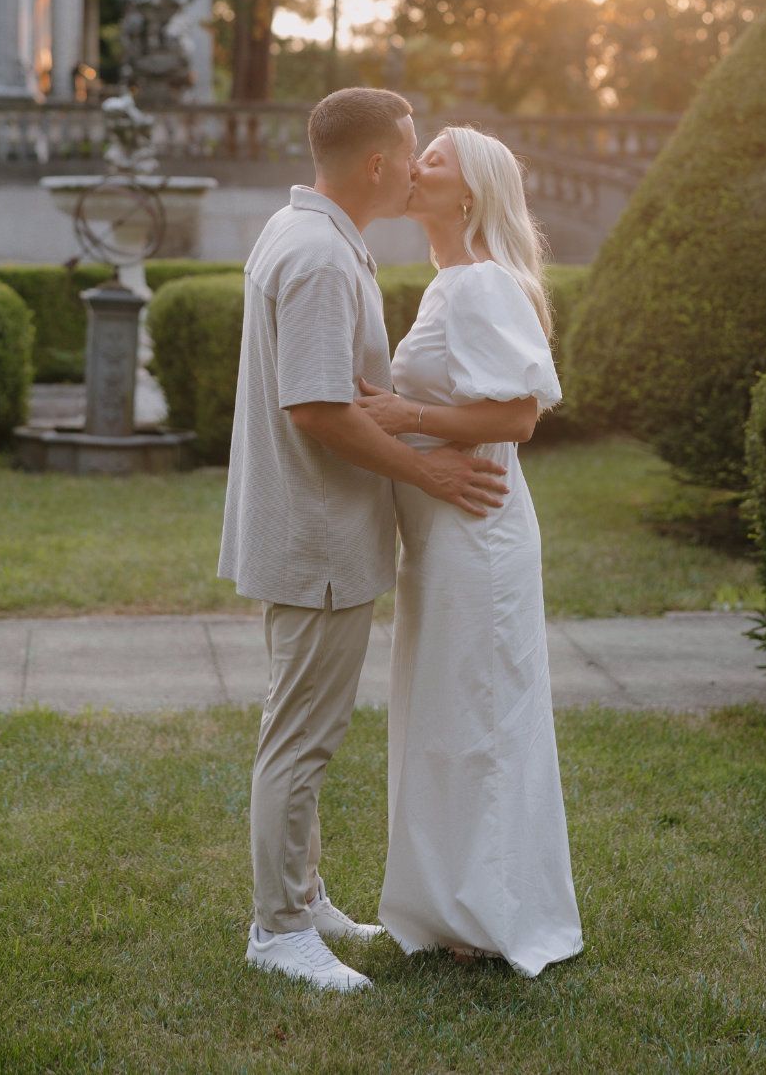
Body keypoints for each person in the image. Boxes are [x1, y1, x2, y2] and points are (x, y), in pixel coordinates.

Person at [218, 89, 510, 994]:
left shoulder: (306, 235)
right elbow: (314, 410)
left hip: (313, 531)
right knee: (300, 740)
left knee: (300, 727)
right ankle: (278, 931)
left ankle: (301, 900)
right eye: (412, 150)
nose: (419, 163)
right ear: (376, 164)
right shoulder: (317, 256)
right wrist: (427, 472)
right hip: (316, 538)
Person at [354, 125, 583, 975]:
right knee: (448, 714)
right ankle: (449, 904)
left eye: (433, 159)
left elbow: (517, 417)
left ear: (468, 196)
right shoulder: (453, 284)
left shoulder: (481, 283)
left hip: (476, 531)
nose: (413, 166)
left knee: (478, 717)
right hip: (446, 532)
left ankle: (486, 914)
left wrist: (404, 418)